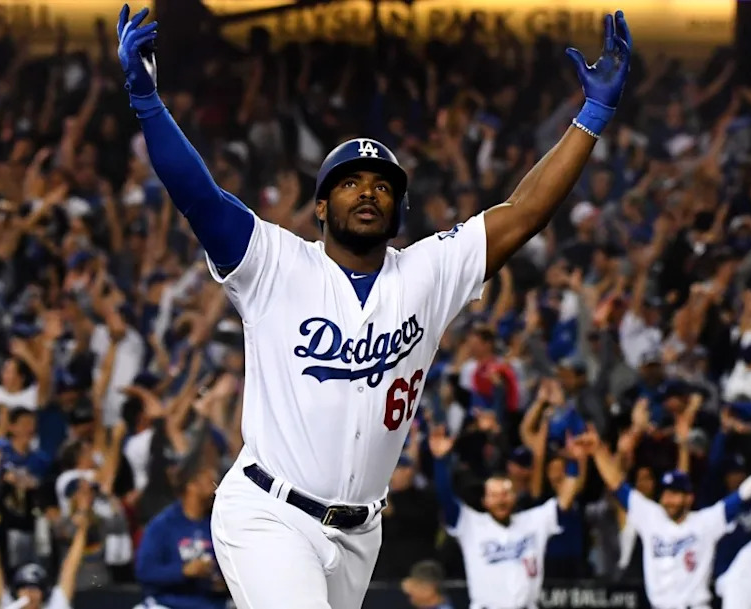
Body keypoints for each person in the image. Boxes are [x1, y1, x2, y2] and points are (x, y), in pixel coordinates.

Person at [115, 4, 632, 608]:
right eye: (350, 182)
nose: (367, 191)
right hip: (269, 514)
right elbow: (198, 196)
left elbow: (523, 213)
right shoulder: (274, 263)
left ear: (398, 211)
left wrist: (592, 116)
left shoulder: (428, 273)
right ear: (321, 208)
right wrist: (148, 104)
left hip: (362, 533)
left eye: (383, 185)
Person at [571, 426, 751, 609]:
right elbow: (617, 483)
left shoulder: (705, 522)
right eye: (666, 493)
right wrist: (598, 450)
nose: (669, 499)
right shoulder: (651, 516)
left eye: (675, 494)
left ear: (688, 498)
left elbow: (740, 496)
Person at [429, 426, 583, 609]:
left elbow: (565, 500)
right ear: (484, 501)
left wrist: (574, 462)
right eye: (494, 495)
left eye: (505, 493)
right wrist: (440, 461)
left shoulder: (534, 521)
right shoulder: (471, 524)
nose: (500, 500)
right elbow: (446, 499)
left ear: (514, 496)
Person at [134, 465, 227, 609]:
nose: (215, 483)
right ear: (191, 485)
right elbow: (145, 571)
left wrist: (224, 583)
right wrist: (183, 571)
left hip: (212, 604)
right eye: (208, 479)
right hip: (170, 603)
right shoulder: (163, 524)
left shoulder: (219, 523)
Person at [0, 511, 88, 609]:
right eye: (24, 588)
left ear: (44, 593)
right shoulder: (8, 605)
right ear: (16, 592)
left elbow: (70, 568)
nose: (30, 593)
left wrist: (82, 530)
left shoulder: (55, 605)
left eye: (35, 588)